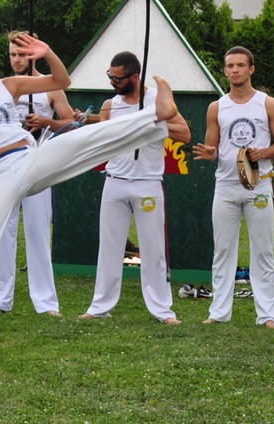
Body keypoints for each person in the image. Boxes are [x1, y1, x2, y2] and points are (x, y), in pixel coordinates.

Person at [0, 33, 181, 365]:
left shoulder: (9, 85)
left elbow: (62, 80)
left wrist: (48, 52)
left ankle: (156, 117)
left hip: (27, 159)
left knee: (83, 140)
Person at [79, 51, 191, 326]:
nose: (113, 83)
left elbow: (185, 134)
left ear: (135, 77)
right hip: (114, 181)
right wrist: (85, 123)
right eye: (111, 77)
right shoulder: (110, 104)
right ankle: (100, 306)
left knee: (153, 250)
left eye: (118, 79)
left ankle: (162, 310)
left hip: (148, 183)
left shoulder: (157, 100)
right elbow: (103, 138)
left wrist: (150, 122)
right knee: (109, 247)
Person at [193, 47, 274, 328]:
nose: (235, 70)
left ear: (251, 69)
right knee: (223, 250)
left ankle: (268, 315)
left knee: (263, 250)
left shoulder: (268, 104)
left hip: (259, 186)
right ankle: (219, 312)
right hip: (225, 185)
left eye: (240, 65)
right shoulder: (217, 107)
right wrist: (210, 154)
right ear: (224, 71)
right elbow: (213, 146)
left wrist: (264, 153)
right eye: (230, 66)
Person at [0, 30, 78, 317]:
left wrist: (46, 122)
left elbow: (69, 125)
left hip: (38, 165)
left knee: (38, 233)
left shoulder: (50, 87)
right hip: (5, 167)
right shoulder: (1, 87)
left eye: (22, 54)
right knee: (2, 232)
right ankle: (0, 299)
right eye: (13, 54)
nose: (17, 60)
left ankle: (46, 302)